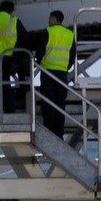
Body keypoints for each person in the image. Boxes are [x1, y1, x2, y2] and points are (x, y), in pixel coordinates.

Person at [40, 9, 76, 138]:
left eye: (50, 18)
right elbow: (73, 55)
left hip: (48, 72)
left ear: (55, 19)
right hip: (62, 73)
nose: (48, 21)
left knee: (48, 102)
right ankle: (59, 132)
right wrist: (66, 67)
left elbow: (40, 51)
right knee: (60, 103)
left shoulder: (48, 31)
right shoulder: (69, 34)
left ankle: (49, 131)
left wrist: (39, 62)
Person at [0, 0, 29, 112]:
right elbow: (26, 38)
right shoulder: (14, 20)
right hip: (10, 56)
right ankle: (9, 109)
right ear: (11, 10)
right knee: (7, 82)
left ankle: (2, 106)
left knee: (1, 82)